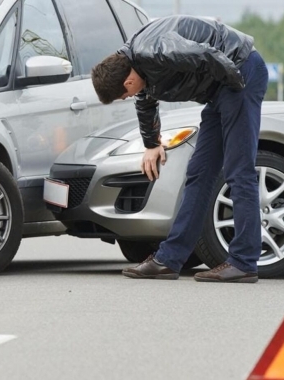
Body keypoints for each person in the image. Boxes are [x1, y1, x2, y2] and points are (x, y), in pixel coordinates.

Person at [91, 15, 268, 283]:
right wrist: (151, 144)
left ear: (127, 82)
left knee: (238, 169)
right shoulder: (135, 63)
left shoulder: (157, 51)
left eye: (123, 95)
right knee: (198, 172)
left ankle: (244, 262)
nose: (128, 97)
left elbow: (207, 55)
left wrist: (237, 90)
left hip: (239, 74)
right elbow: (146, 101)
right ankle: (169, 260)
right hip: (221, 89)